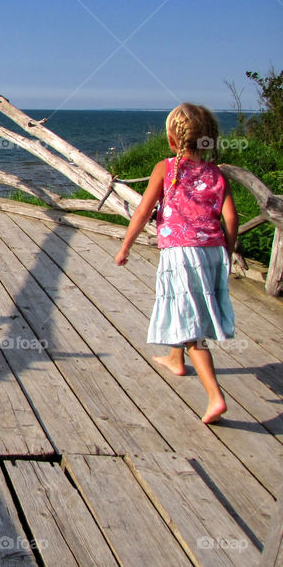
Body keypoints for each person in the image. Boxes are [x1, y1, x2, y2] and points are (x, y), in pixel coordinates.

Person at [116, 103, 237, 424]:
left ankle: (214, 396)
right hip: (211, 252)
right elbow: (231, 217)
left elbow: (143, 211)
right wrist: (228, 249)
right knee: (184, 306)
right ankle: (174, 359)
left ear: (172, 140)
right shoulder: (217, 173)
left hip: (181, 253)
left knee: (191, 323)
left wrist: (125, 245)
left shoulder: (165, 168)